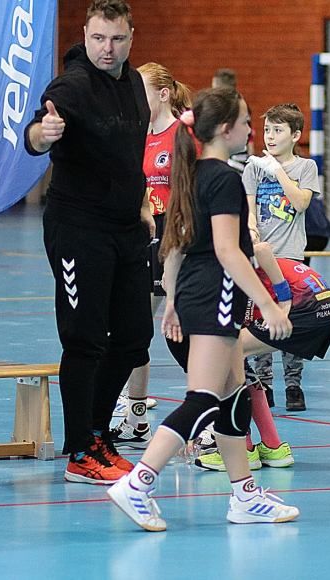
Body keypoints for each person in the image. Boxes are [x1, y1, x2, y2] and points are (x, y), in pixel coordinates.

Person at [107, 87, 299, 532]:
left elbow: (174, 246)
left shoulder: (189, 174)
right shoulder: (225, 179)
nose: (251, 130)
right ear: (226, 129)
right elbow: (229, 251)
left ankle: (244, 495)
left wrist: (173, 299)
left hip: (196, 293)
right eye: (247, 122)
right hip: (217, 295)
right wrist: (269, 304)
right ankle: (138, 483)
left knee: (233, 396)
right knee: (203, 399)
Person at [25, 0, 153, 484]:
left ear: (131, 37)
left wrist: (142, 204)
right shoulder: (71, 86)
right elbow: (33, 135)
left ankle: (97, 432)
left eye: (117, 39)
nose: (107, 48)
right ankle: (80, 450)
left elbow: (129, 155)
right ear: (85, 35)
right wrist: (43, 134)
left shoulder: (134, 84)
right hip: (78, 229)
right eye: (99, 38)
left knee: (134, 337)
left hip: (126, 229)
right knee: (84, 339)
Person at [188, 241, 330, 470]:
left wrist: (284, 299)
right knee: (237, 359)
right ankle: (273, 447)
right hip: (326, 307)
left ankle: (243, 449)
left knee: (226, 356)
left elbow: (262, 249)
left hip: (305, 306)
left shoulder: (229, 262)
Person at [110, 62, 192, 449]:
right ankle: (137, 416)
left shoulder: (183, 135)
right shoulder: (141, 135)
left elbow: (191, 190)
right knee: (134, 327)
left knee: (187, 330)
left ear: (162, 94)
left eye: (140, 90)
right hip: (146, 234)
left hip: (177, 237)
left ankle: (207, 413)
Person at [243, 103, 321, 412]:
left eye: (278, 130)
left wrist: (277, 171)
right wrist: (251, 229)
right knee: (261, 319)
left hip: (290, 258)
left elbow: (301, 203)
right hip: (261, 257)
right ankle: (263, 384)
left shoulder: (306, 168)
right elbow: (249, 207)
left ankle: (293, 385)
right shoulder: (253, 167)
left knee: (291, 319)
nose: (271, 136)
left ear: (295, 135)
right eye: (267, 130)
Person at [211, 68, 254, 172]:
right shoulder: (242, 104)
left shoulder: (224, 107)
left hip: (233, 160)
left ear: (219, 88)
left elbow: (249, 137)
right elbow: (250, 139)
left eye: (213, 86)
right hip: (239, 159)